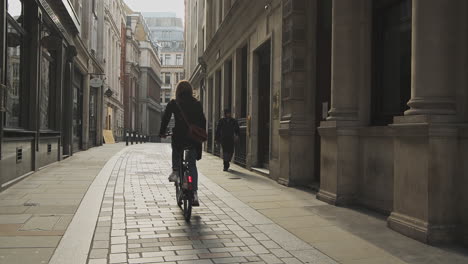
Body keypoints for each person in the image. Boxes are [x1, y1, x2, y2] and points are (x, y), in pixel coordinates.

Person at [159, 81, 206, 206]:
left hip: (180, 137)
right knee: (192, 166)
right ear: (191, 91)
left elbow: (165, 118)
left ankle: (175, 171)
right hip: (193, 139)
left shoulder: (174, 103)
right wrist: (201, 134)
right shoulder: (197, 103)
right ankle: (195, 194)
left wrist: (162, 132)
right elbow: (203, 120)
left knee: (176, 149)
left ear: (178, 91)